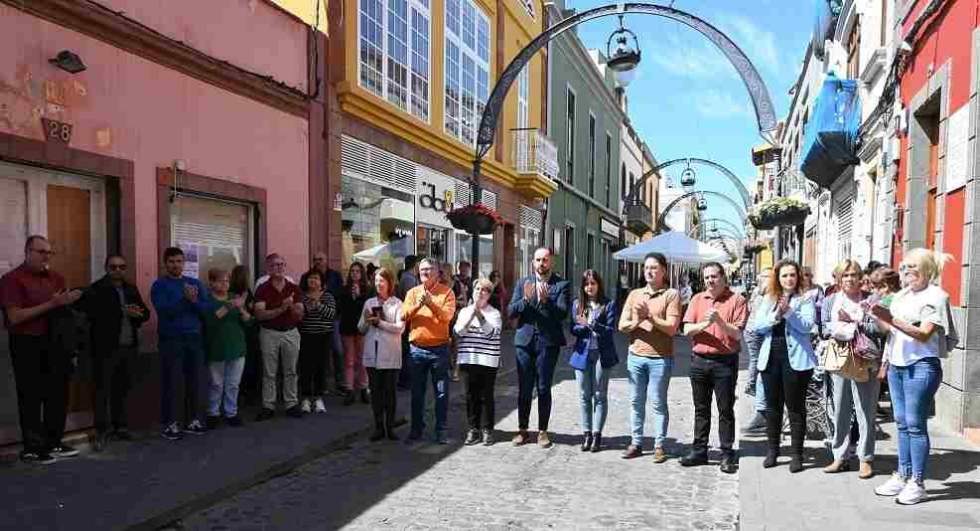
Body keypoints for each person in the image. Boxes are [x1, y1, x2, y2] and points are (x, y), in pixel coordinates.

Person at [870, 249, 955, 505]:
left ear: (927, 269)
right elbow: (892, 333)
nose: (906, 272)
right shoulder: (901, 296)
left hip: (921, 366)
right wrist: (876, 317)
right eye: (904, 267)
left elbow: (924, 334)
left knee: (915, 424)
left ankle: (917, 482)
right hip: (897, 365)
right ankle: (903, 474)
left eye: (912, 267)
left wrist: (890, 319)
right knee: (901, 422)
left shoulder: (937, 296)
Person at [0, 236, 83, 463]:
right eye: (41, 251)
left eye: (49, 252)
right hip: (27, 342)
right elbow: (14, 317)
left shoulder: (56, 278)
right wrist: (52, 304)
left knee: (57, 394)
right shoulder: (11, 279)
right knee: (31, 396)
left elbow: (64, 314)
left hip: (56, 343)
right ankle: (32, 448)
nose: (46, 256)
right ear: (27, 251)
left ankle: (54, 442)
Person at [747, 259, 817, 473]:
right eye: (784, 275)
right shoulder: (769, 298)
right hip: (771, 357)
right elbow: (758, 326)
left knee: (795, 408)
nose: (788, 279)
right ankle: (773, 450)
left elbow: (807, 327)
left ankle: (797, 453)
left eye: (792, 275)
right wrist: (776, 315)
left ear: (798, 278)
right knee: (772, 407)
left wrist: (789, 312)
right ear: (778, 278)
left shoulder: (805, 299)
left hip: (796, 360)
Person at [680, 262, 748, 474]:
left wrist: (719, 321)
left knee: (725, 409)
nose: (710, 281)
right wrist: (703, 326)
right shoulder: (697, 299)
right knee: (701, 409)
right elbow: (687, 330)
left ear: (723, 277)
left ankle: (727, 453)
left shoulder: (737, 300)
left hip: (724, 362)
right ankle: (699, 450)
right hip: (699, 360)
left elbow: (737, 334)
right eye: (707, 277)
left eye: (714, 276)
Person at [79, 254, 150, 451]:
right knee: (102, 391)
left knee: (122, 388)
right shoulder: (96, 289)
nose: (117, 270)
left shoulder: (130, 288)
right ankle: (101, 431)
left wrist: (138, 315)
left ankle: (121, 427)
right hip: (105, 349)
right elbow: (88, 315)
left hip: (128, 346)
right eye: (113, 267)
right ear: (106, 268)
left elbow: (145, 313)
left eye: (121, 267)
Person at [822, 260, 884, 479]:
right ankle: (839, 455)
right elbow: (823, 328)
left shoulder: (871, 300)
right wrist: (836, 331)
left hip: (865, 359)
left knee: (865, 410)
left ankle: (865, 458)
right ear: (839, 278)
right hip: (839, 358)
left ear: (861, 278)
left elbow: (880, 328)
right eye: (845, 275)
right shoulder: (830, 301)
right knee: (840, 409)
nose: (850, 279)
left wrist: (855, 323)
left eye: (853, 275)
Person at [617, 252, 681, 463]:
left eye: (654, 268)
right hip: (636, 356)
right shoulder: (635, 294)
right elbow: (622, 325)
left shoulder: (671, 295)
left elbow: (672, 329)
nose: (649, 271)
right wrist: (637, 321)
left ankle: (659, 445)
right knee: (636, 401)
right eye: (646, 268)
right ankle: (636, 442)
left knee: (658, 403)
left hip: (660, 358)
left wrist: (650, 317)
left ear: (663, 270)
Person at [508, 247, 571, 448]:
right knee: (525, 388)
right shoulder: (522, 283)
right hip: (524, 342)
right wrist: (526, 300)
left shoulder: (561, 284)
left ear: (550, 261)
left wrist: (546, 301)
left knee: (543, 387)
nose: (541, 264)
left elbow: (562, 314)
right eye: (538, 260)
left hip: (548, 343)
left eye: (545, 260)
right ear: (533, 262)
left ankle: (543, 431)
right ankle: (523, 429)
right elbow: (511, 311)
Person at [151, 246, 212, 440]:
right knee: (173, 382)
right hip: (172, 340)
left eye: (179, 261)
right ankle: (171, 423)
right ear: (165, 264)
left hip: (194, 339)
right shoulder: (159, 285)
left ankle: (194, 420)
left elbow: (206, 310)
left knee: (196, 381)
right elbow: (164, 311)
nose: (175, 265)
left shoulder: (194, 283)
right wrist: (185, 301)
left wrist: (194, 301)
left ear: (184, 263)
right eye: (171, 261)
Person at [402, 258, 457, 443]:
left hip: (439, 349)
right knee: (417, 393)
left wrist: (431, 304)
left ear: (437, 272)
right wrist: (419, 304)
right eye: (422, 269)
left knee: (441, 392)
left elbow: (447, 317)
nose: (425, 272)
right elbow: (403, 315)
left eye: (429, 269)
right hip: (416, 349)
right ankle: (416, 429)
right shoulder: (412, 292)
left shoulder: (447, 292)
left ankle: (441, 429)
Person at [569, 270, 619, 453]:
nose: (590, 287)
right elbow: (572, 329)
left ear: (599, 285)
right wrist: (582, 326)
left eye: (593, 283)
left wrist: (590, 324)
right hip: (582, 353)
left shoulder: (608, 304)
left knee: (599, 394)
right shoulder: (577, 304)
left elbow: (610, 330)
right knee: (584, 395)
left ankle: (597, 435)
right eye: (586, 284)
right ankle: (587, 433)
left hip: (601, 353)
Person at [253, 253, 305, 421]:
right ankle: (268, 405)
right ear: (269, 268)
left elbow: (299, 314)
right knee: (269, 372)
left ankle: (291, 404)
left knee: (291, 371)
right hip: (269, 333)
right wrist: (282, 308)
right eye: (275, 265)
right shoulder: (262, 288)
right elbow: (260, 314)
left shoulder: (293, 288)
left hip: (290, 332)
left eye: (282, 264)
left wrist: (293, 308)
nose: (280, 267)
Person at [455, 278, 504, 446]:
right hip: (469, 359)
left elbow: (492, 334)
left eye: (485, 290)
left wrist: (480, 316)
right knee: (470, 396)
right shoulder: (464, 311)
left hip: (488, 360)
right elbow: (459, 332)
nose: (480, 292)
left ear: (489, 295)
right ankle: (473, 428)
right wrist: (471, 315)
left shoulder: (494, 313)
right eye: (477, 289)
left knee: (486, 396)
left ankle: (487, 429)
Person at [202, 268, 253, 429]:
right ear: (211, 283)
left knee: (233, 383)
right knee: (216, 383)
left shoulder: (234, 298)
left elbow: (249, 321)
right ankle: (213, 412)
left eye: (227, 281)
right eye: (221, 280)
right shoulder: (208, 299)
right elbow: (211, 319)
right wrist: (230, 306)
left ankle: (231, 412)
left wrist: (241, 308)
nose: (225, 284)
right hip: (216, 348)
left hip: (237, 347)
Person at [359, 268, 405, 441]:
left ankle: (390, 426)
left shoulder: (397, 303)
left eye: (382, 281)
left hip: (390, 354)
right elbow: (361, 329)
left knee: (390, 393)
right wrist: (365, 320)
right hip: (373, 354)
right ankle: (378, 426)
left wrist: (381, 323)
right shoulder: (369, 302)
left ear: (389, 283)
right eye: (376, 281)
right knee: (376, 393)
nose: (379, 284)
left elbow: (400, 328)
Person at [298, 269, 337, 414]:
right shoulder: (302, 297)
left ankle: (319, 398)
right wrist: (306, 308)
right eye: (310, 278)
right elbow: (299, 316)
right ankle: (306, 398)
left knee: (321, 367)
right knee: (306, 367)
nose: (313, 281)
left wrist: (318, 304)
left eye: (316, 278)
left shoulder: (327, 296)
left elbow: (331, 314)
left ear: (321, 282)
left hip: (323, 336)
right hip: (307, 336)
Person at [742, 267, 773, 436]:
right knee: (758, 362)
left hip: (752, 330)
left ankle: (752, 386)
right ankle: (752, 385)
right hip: (756, 331)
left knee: (758, 361)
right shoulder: (764, 294)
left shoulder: (758, 292)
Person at [338, 262, 371, 405]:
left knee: (362, 360)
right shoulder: (344, 289)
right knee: (349, 360)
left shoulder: (367, 290)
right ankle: (349, 390)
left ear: (361, 274)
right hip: (347, 328)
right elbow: (341, 308)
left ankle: (363, 388)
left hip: (361, 329)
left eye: (357, 271)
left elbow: (366, 309)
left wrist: (358, 296)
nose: (355, 274)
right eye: (352, 271)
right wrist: (351, 296)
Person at [230, 265, 261, 405]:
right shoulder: (240, 293)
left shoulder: (241, 292)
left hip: (243, 332)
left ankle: (242, 395)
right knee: (248, 365)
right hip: (246, 332)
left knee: (243, 365)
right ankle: (248, 394)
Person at [396, 255, 419, 390]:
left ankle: (406, 379)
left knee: (407, 350)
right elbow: (411, 300)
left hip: (408, 318)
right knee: (408, 350)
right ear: (414, 265)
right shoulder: (409, 279)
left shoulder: (407, 278)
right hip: (409, 319)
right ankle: (406, 380)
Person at [450, 261, 473, 382]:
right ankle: (455, 368)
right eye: (462, 268)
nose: (464, 270)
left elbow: (472, 298)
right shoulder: (454, 281)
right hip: (455, 315)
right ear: (459, 268)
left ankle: (459, 367)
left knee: (462, 342)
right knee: (455, 342)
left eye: (466, 268)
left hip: (466, 315)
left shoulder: (470, 282)